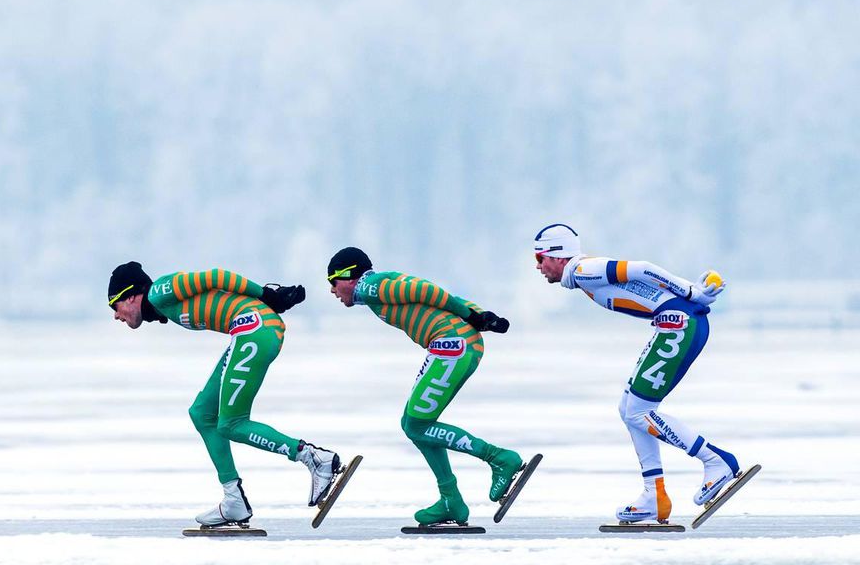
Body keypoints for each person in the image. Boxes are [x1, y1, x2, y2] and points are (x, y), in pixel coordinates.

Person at [108, 261, 345, 528]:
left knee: (232, 423)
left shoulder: (159, 292)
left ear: (130, 296)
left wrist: (266, 295)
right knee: (201, 413)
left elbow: (215, 276)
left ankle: (315, 459)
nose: (116, 316)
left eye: (114, 306)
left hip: (254, 330)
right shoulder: (162, 305)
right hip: (248, 331)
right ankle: (234, 500)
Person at [532, 223, 739, 523]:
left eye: (540, 258)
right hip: (674, 323)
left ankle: (716, 460)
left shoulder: (582, 271)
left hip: (678, 327)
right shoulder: (581, 274)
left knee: (639, 412)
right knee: (628, 408)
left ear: (557, 255)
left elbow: (642, 269)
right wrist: (695, 295)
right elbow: (649, 286)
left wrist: (691, 292)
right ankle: (654, 494)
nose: (538, 267)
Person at [325, 246, 524, 526]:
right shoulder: (381, 282)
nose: (332, 292)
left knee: (416, 425)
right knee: (414, 424)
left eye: (332, 283)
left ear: (347, 278)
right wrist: (480, 315)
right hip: (453, 346)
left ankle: (499, 458)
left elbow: (427, 291)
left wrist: (473, 316)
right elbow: (440, 295)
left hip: (452, 346)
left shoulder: (370, 286)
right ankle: (450, 499)